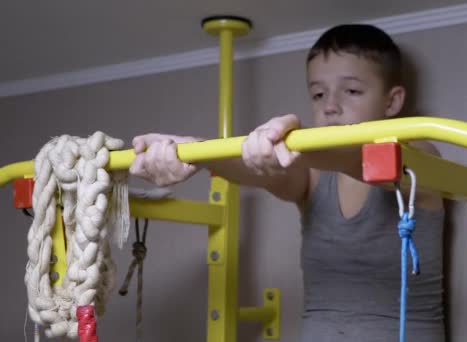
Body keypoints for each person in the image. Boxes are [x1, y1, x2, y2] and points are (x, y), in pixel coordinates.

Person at [130, 24, 445, 342]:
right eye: (318, 94)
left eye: (351, 91)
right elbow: (261, 169)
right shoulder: (313, 175)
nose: (330, 106)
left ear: (391, 102)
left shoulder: (420, 152)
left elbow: (362, 158)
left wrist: (292, 143)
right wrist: (194, 151)